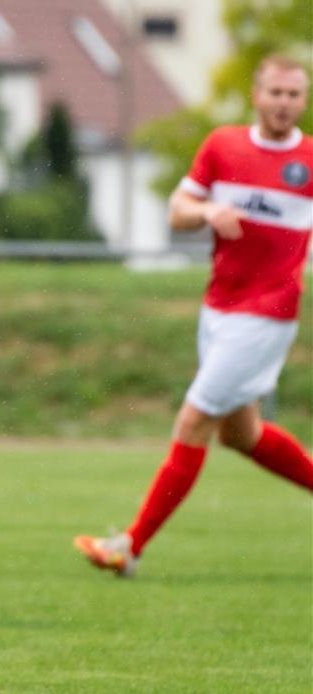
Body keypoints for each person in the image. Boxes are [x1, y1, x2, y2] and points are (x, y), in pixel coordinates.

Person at [75, 55, 313, 577]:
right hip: (219, 309)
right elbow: (178, 210)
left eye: (295, 94)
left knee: (196, 418)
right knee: (240, 434)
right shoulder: (223, 146)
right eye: (276, 92)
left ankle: (129, 547)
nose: (284, 103)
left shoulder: (311, 161)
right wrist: (207, 212)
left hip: (267, 314)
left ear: (304, 99)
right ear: (257, 94)